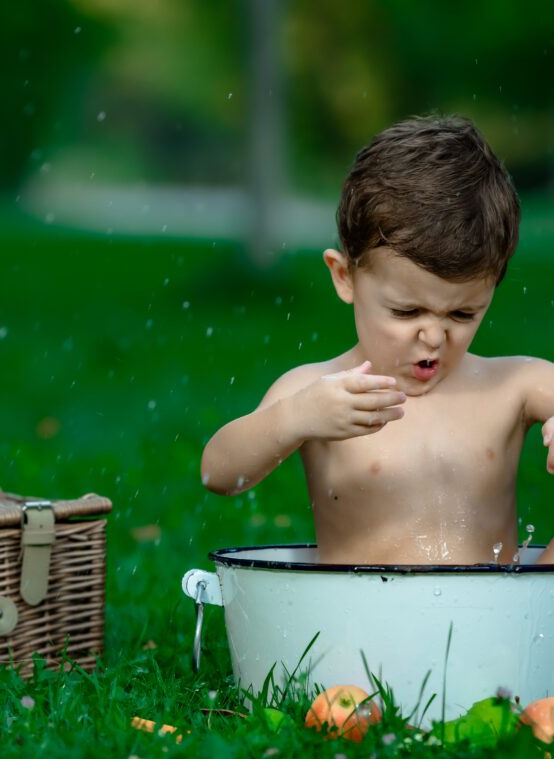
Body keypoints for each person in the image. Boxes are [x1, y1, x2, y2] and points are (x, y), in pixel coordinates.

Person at [201, 114, 554, 566]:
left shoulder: (513, 386)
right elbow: (218, 471)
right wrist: (295, 418)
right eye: (406, 312)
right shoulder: (319, 390)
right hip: (363, 622)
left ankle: (537, 605)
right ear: (345, 276)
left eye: (462, 313)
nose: (433, 335)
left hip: (498, 624)